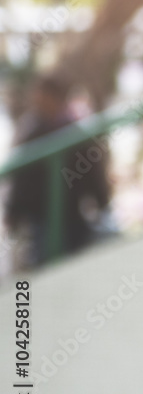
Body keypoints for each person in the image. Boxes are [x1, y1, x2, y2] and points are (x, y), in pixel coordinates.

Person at [3, 73, 112, 268]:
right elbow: (21, 179)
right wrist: (14, 213)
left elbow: (92, 170)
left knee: (74, 264)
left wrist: (102, 202)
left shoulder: (73, 132)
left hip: (71, 215)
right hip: (40, 218)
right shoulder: (32, 132)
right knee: (43, 267)